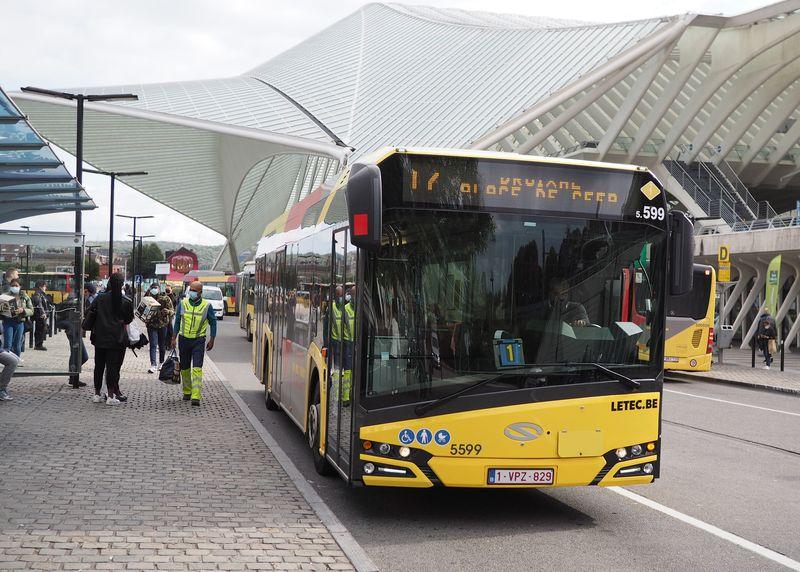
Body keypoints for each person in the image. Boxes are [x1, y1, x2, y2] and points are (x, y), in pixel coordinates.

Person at [87, 273, 134, 405]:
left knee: (99, 366)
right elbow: (128, 319)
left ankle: (96, 394)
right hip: (116, 339)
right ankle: (110, 396)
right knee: (112, 367)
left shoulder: (99, 298)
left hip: (100, 338)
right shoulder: (125, 301)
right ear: (122, 284)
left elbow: (91, 312)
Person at [172, 281, 216, 406]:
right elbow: (177, 322)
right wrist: (173, 338)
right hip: (184, 339)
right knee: (185, 368)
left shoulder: (207, 306)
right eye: (190, 289)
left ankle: (196, 396)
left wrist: (212, 339)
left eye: (194, 290)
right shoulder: (183, 303)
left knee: (197, 368)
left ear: (200, 292)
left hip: (198, 340)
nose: (191, 292)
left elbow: (213, 322)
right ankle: (187, 391)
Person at [144, 282, 174, 374]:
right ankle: (153, 365)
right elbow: (142, 309)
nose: (154, 290)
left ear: (159, 289)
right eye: (152, 288)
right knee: (153, 345)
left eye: (155, 288)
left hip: (162, 325)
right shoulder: (148, 298)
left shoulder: (165, 298)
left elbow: (172, 311)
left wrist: (167, 311)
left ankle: (161, 362)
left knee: (162, 345)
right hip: (151, 325)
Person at [1, 278, 33, 360]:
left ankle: (17, 360)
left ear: (20, 286)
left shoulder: (24, 296)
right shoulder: (5, 296)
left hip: (19, 322)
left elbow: (31, 310)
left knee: (17, 343)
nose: (14, 287)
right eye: (12, 285)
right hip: (8, 321)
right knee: (8, 343)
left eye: (16, 285)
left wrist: (23, 310)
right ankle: (8, 361)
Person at [30, 280, 51, 351]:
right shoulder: (38, 294)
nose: (45, 288)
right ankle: (38, 344)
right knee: (40, 329)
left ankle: (39, 344)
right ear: (40, 286)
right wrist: (42, 313)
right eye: (44, 286)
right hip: (40, 315)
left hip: (41, 315)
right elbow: (39, 304)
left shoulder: (40, 294)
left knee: (41, 329)